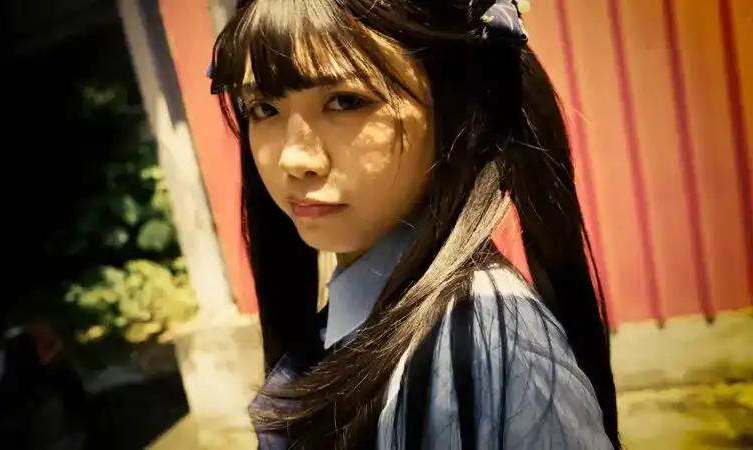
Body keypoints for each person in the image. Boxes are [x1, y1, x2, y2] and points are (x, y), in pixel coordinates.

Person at [208, 0, 620, 448]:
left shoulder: (486, 343)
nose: (294, 158)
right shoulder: (364, 322)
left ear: (454, 107)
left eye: (346, 101)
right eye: (263, 108)